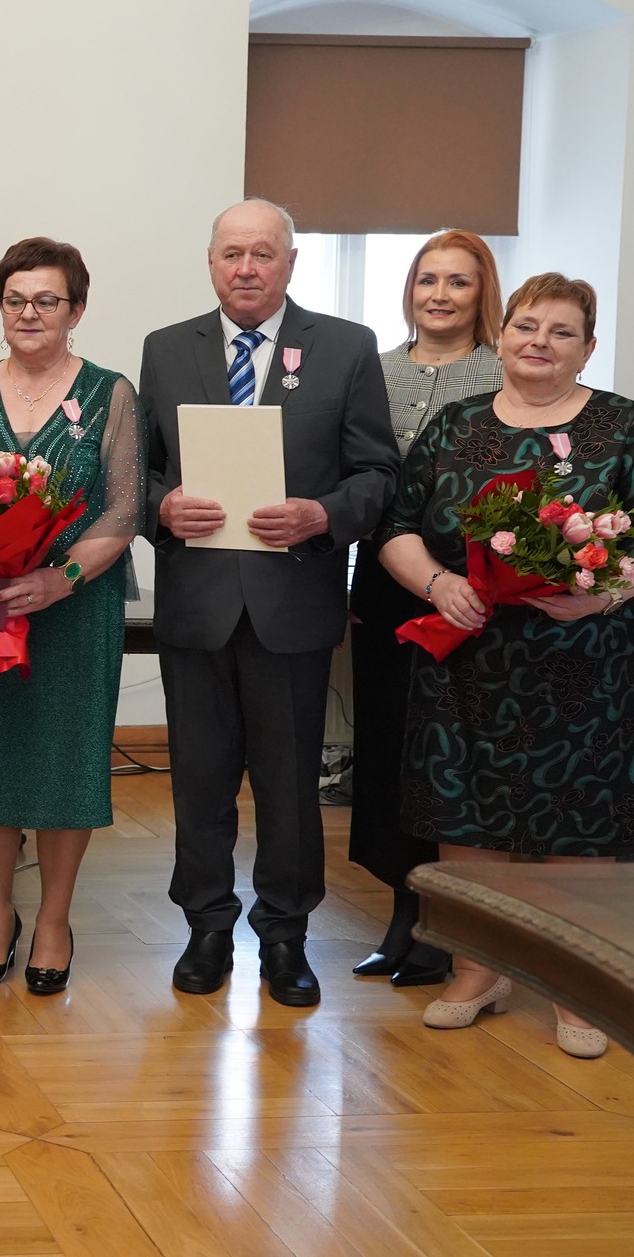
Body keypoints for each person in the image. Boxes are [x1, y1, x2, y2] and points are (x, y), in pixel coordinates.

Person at [377, 272, 634, 1057]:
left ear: (587, 346)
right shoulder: (454, 425)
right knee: (464, 816)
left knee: (580, 826)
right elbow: (397, 528)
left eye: (561, 331)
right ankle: (479, 969)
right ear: (502, 333)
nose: (539, 341)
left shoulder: (621, 424)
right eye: (525, 325)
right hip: (469, 652)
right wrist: (440, 585)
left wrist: (603, 594)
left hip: (585, 658)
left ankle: (580, 986)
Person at [139, 199, 396, 1008]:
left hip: (294, 602)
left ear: (290, 263)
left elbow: (377, 474)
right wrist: (160, 508)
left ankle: (285, 935)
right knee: (200, 784)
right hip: (197, 604)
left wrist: (324, 515)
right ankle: (207, 926)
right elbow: (138, 470)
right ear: (210, 262)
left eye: (262, 253)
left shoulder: (346, 348)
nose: (245, 268)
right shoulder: (165, 349)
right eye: (230, 254)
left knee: (290, 789)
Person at [0, 238, 142, 992]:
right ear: (0, 307)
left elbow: (124, 507)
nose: (30, 313)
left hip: (73, 614)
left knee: (63, 765)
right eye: (17, 299)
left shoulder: (110, 393)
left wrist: (63, 576)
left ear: (75, 309)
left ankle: (52, 920)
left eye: (47, 300)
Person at [348, 231, 504, 988]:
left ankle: (456, 925)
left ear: (484, 295)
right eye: (427, 279)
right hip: (384, 590)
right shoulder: (368, 373)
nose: (439, 294)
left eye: (459, 283)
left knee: (454, 762)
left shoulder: (507, 373)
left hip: (478, 597)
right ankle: (404, 913)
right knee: (387, 748)